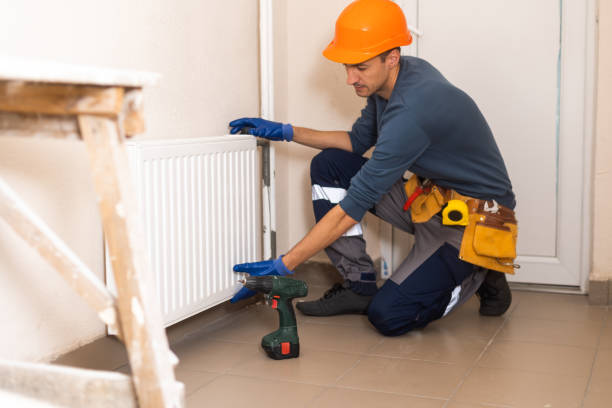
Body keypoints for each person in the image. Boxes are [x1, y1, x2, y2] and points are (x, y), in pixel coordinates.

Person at [229, 0, 517, 336]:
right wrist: (286, 131)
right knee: (331, 165)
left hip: (475, 221)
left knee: (389, 316)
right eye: (347, 67)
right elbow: (355, 141)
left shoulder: (413, 111)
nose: (351, 78)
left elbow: (351, 208)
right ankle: (359, 284)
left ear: (391, 58)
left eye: (361, 68)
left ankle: (481, 267)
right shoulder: (392, 82)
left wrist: (284, 265)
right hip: (432, 201)